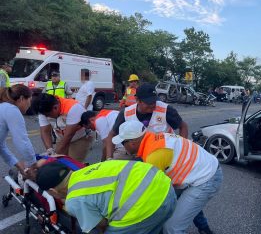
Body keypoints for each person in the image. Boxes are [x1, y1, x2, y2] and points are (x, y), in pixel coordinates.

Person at [112, 120, 223, 234]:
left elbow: (154, 196)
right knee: (182, 201)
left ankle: (202, 228)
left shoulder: (153, 155)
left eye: (122, 143)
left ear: (132, 143)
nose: (122, 147)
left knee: (172, 228)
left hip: (206, 179)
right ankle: (205, 229)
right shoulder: (154, 138)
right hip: (201, 170)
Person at [36, 160, 177, 234]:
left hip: (148, 208)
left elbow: (101, 226)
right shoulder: (87, 170)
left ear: (52, 191)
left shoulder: (74, 200)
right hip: (167, 189)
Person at [106, 82, 188, 160]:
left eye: (154, 101)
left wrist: (181, 149)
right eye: (149, 102)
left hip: (161, 150)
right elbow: (112, 134)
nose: (153, 105)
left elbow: (183, 126)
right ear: (138, 100)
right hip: (134, 151)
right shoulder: (126, 113)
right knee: (115, 163)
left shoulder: (166, 110)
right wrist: (109, 158)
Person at [32, 93, 92, 162]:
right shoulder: (44, 110)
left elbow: (68, 136)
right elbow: (45, 131)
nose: (47, 117)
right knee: (60, 163)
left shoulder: (73, 108)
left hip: (80, 137)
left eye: (49, 115)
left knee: (72, 164)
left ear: (55, 107)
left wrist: (53, 157)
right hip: (61, 137)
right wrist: (50, 150)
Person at [0, 84, 37, 177]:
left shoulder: (3, 107)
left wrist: (17, 164)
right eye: (29, 100)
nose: (29, 105)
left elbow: (0, 145)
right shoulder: (11, 109)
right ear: (21, 99)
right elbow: (22, 141)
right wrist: (33, 165)